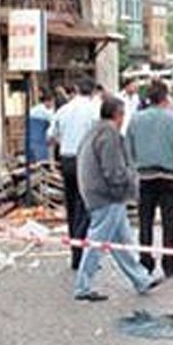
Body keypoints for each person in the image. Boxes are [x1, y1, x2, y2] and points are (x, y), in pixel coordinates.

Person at [73, 96, 162, 301]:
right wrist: (128, 185)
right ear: (118, 115)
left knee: (122, 241)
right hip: (107, 196)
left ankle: (141, 279)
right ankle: (82, 286)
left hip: (95, 192)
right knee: (97, 241)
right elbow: (113, 170)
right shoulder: (109, 135)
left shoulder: (93, 131)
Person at [125, 81, 173, 278]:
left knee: (145, 222)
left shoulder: (135, 120)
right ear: (165, 97)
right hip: (168, 177)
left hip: (144, 177)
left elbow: (128, 149)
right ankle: (169, 263)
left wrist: (132, 171)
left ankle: (145, 261)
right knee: (169, 223)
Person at [49, 77, 101, 270]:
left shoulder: (63, 110)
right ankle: (82, 254)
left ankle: (75, 252)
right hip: (86, 160)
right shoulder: (95, 110)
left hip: (67, 160)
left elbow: (50, 136)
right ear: (93, 92)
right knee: (86, 207)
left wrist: (65, 139)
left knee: (71, 206)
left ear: (77, 89)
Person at [26, 89, 54, 164]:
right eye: (51, 102)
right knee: (42, 159)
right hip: (39, 138)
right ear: (47, 101)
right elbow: (52, 124)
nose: (52, 104)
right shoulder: (45, 111)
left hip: (32, 137)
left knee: (32, 158)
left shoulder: (36, 108)